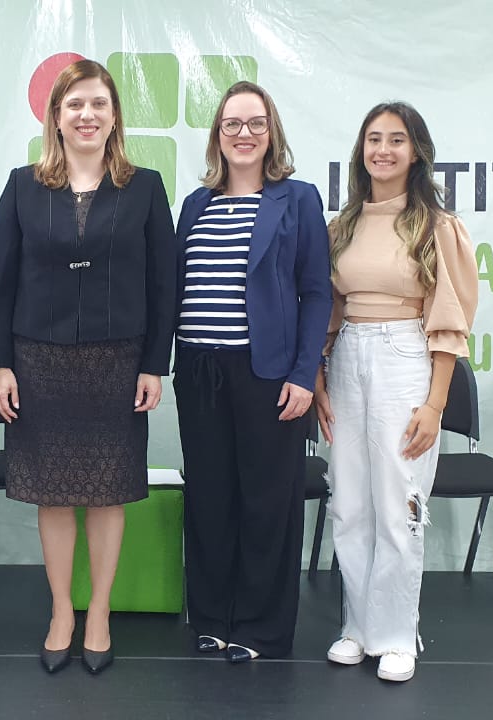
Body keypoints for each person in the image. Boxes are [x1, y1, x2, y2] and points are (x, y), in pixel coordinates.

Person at [0, 59, 177, 675]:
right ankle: (62, 610)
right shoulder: (21, 185)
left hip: (118, 361)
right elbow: (0, 281)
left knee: (108, 492)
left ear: (114, 114)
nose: (87, 114)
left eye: (98, 103)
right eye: (74, 105)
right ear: (56, 117)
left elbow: (164, 283)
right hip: (37, 359)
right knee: (54, 494)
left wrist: (154, 364)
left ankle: (100, 614)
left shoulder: (144, 186)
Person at [315, 101, 478, 682]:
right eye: (373, 139)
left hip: (406, 356)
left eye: (396, 139)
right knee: (349, 502)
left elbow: (449, 323)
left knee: (399, 501)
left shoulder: (436, 225)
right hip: (348, 356)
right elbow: (325, 311)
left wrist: (435, 403)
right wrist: (318, 379)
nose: (383, 149)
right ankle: (357, 628)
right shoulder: (343, 225)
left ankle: (396, 633)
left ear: (417, 152)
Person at [172, 81, 331, 663]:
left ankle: (260, 629)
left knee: (268, 502)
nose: (244, 133)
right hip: (198, 370)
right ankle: (212, 618)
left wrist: (302, 372)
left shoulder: (299, 199)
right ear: (218, 134)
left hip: (268, 375)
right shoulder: (196, 204)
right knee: (210, 498)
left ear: (272, 133)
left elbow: (316, 293)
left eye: (255, 123)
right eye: (232, 124)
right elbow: (174, 286)